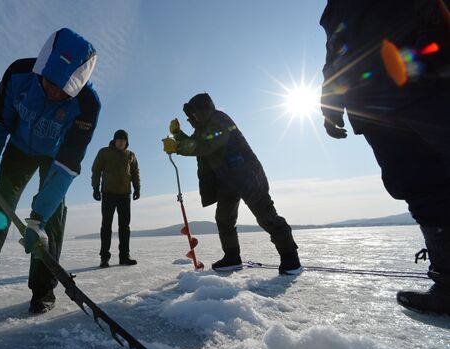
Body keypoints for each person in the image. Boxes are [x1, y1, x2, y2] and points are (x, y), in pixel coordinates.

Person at [0, 28, 101, 314]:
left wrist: (38, 218)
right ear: (42, 67)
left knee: (49, 222)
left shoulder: (88, 105)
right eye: (50, 82)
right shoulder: (19, 74)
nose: (53, 91)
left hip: (55, 159)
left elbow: (68, 165)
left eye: (63, 88)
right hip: (18, 150)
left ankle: (43, 291)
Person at [320, 0, 450, 314]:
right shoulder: (334, 9)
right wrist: (330, 106)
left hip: (427, 83)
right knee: (419, 188)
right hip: (373, 107)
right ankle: (448, 283)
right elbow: (336, 57)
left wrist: (436, 49)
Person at [163, 93, 303, 274]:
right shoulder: (203, 128)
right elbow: (196, 142)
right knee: (224, 218)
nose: (195, 116)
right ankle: (232, 257)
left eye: (197, 112)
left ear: (206, 110)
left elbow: (205, 145)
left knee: (266, 216)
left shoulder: (220, 120)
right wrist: (177, 134)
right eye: (193, 114)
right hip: (227, 180)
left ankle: (291, 258)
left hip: (246, 174)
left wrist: (178, 147)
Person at [91, 130, 140, 267]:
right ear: (114, 140)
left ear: (126, 142)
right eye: (118, 140)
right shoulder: (104, 152)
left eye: (123, 140)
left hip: (125, 195)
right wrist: (95, 188)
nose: (120, 142)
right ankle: (104, 258)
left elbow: (135, 173)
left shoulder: (131, 155)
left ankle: (124, 256)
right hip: (108, 194)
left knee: (125, 227)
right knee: (106, 226)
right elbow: (96, 170)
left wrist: (137, 188)